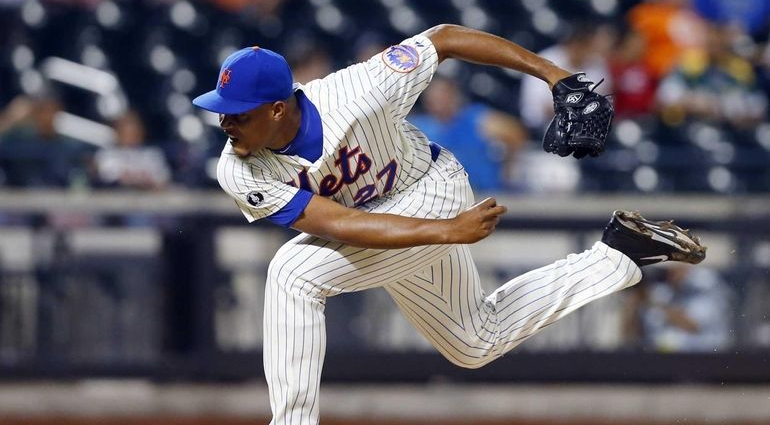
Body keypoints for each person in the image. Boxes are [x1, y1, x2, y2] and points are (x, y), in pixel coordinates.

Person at [192, 24, 707, 425]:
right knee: (473, 341)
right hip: (394, 222)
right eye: (221, 111)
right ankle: (620, 255)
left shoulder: (359, 91)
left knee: (293, 273)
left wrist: (560, 79)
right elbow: (339, 223)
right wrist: (444, 233)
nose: (225, 123)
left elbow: (446, 39)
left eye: (237, 113)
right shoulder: (237, 166)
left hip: (432, 189)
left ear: (279, 109)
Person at [409, 75, 527, 191]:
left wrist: (508, 166)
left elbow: (515, 133)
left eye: (442, 95)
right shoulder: (420, 125)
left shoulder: (474, 117)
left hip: (484, 191)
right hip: (443, 194)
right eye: (433, 97)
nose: (437, 101)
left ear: (453, 94)